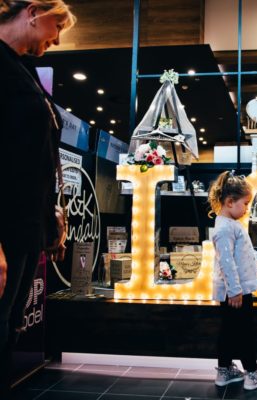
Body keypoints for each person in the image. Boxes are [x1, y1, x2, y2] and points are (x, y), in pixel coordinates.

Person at [0, 0, 76, 396]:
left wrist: (53, 212)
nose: (58, 38)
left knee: (9, 325)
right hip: (6, 226)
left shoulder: (24, 71)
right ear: (33, 11)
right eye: (57, 24)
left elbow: (34, 154)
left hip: (29, 224)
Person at [208, 171, 257, 391]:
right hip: (236, 293)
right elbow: (227, 263)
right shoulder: (224, 229)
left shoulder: (231, 225)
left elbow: (246, 254)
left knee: (230, 331)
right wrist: (235, 291)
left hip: (236, 290)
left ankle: (225, 370)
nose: (247, 208)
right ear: (230, 202)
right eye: (245, 203)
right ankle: (252, 372)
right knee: (243, 332)